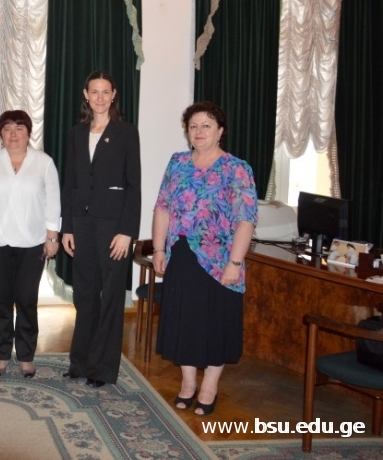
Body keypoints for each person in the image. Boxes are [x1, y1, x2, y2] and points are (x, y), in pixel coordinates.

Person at [152, 101, 257, 417]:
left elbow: (246, 219)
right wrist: (158, 249)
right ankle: (188, 383)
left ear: (220, 131)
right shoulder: (178, 162)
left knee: (215, 325)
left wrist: (235, 263)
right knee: (184, 322)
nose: (198, 131)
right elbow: (162, 207)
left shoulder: (237, 168)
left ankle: (209, 386)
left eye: (206, 125)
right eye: (193, 126)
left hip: (220, 261)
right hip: (182, 256)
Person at [61, 71, 141, 387]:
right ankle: (80, 363)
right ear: (86, 95)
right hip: (81, 225)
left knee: (110, 299)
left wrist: (127, 232)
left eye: (105, 92)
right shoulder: (76, 133)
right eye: (94, 92)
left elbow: (133, 185)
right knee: (85, 296)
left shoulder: (126, 132)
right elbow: (70, 183)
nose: (100, 98)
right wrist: (67, 227)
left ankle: (103, 370)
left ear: (113, 95)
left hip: (113, 228)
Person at [0, 110, 60, 378]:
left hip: (33, 244)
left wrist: (52, 237)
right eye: (7, 128)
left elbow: (53, 203)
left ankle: (26, 356)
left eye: (19, 128)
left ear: (29, 132)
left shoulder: (44, 163)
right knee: (2, 301)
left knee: (27, 300)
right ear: (0, 133)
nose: (13, 134)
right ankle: (1, 354)